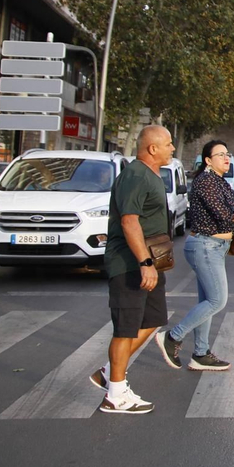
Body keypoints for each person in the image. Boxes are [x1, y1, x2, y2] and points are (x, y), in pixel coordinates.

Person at [95, 126, 176, 414]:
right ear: (152, 148)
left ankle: (108, 371)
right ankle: (115, 395)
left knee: (153, 319)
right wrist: (144, 264)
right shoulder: (136, 174)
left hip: (150, 261)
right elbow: (130, 222)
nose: (172, 148)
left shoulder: (150, 175)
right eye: (168, 144)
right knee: (125, 329)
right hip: (129, 264)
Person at [156, 139, 234, 372]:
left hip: (214, 247)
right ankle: (173, 336)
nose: (226, 158)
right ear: (208, 161)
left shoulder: (219, 182)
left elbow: (233, 211)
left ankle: (200, 354)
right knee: (217, 300)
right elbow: (223, 213)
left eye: (227, 153)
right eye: (220, 154)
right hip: (205, 245)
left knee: (207, 301)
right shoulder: (206, 181)